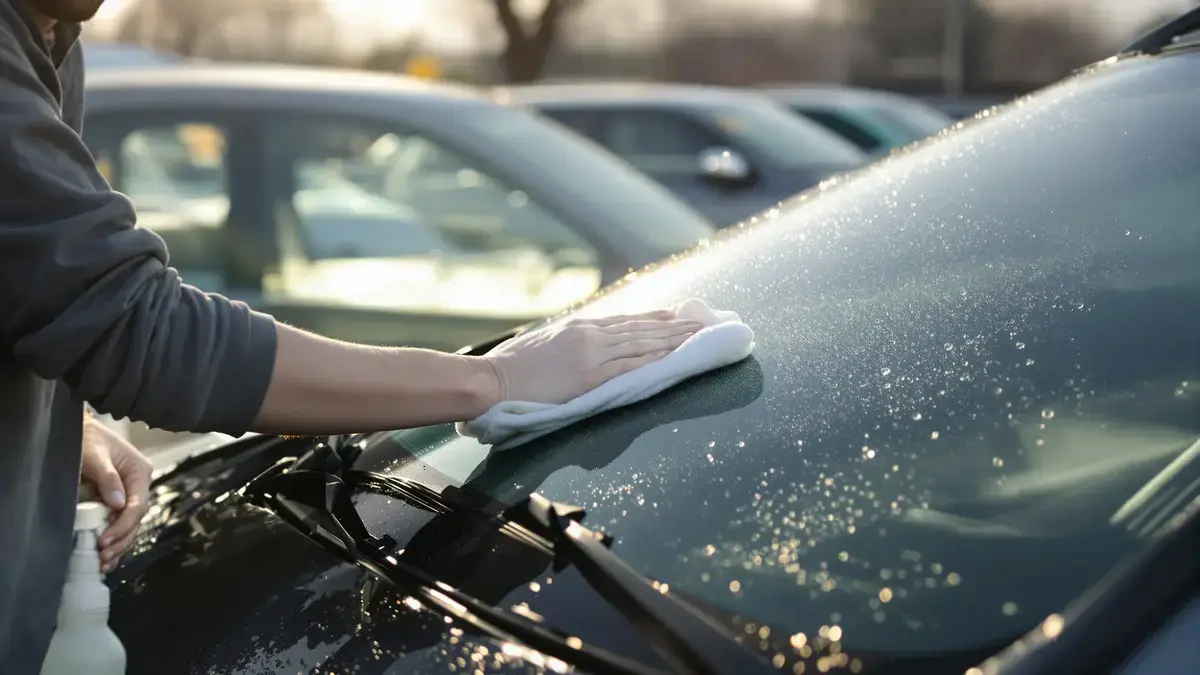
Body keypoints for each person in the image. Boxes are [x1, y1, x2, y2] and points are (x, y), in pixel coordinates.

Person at [0, 0, 700, 671]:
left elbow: (38, 278)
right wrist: (498, 382)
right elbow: (138, 324)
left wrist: (68, 417)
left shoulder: (53, 32)